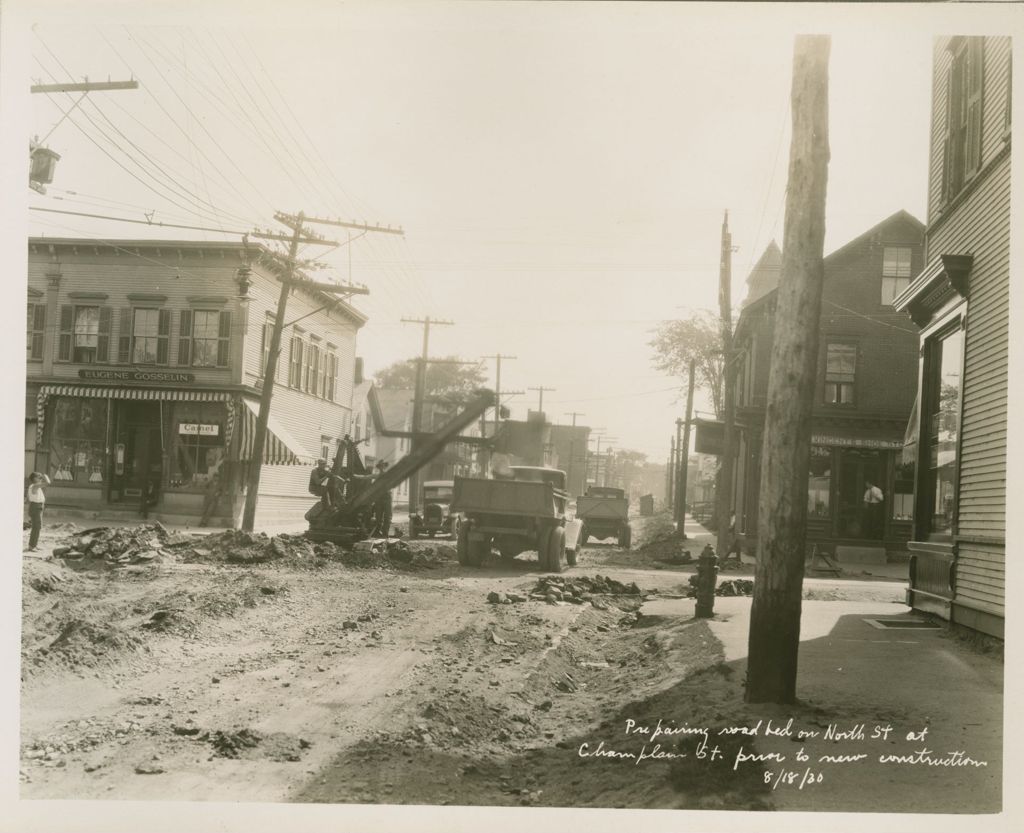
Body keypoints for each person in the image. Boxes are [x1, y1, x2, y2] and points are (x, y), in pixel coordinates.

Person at [25, 471, 51, 552]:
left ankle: (33, 545)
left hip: (35, 506)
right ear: (34, 478)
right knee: (36, 527)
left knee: (36, 527)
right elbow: (48, 483)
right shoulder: (35, 486)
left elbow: (28, 498)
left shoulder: (32, 486)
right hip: (36, 507)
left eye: (41, 477)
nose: (40, 479)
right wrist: (45, 475)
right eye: (39, 477)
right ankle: (32, 546)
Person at [371, 461, 393, 537]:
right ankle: (378, 533)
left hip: (387, 497)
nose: (381, 468)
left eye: (382, 466)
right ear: (379, 468)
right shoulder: (377, 476)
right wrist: (356, 476)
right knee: (378, 517)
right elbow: (367, 476)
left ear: (385, 467)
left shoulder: (389, 475)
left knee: (387, 517)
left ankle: (385, 534)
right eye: (380, 467)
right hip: (379, 498)